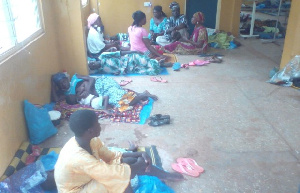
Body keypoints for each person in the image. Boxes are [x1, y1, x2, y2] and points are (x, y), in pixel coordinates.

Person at [54, 110, 184, 192]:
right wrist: (138, 163)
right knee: (120, 180)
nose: (101, 125)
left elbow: (111, 156)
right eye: (98, 123)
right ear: (90, 131)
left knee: (129, 161)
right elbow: (111, 173)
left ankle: (164, 175)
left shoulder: (89, 140)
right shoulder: (79, 157)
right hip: (77, 190)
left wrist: (139, 154)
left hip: (87, 177)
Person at [51, 72, 158, 112]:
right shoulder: (67, 94)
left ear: (67, 78)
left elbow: (91, 79)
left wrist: (87, 91)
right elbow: (56, 100)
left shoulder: (75, 77)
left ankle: (143, 94)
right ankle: (140, 95)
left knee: (122, 102)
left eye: (64, 81)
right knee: (120, 105)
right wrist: (52, 84)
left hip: (102, 84)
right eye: (61, 84)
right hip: (103, 94)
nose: (64, 84)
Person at [89, 50, 162, 75]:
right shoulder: (101, 71)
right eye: (92, 66)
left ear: (94, 60)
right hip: (129, 69)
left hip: (129, 59)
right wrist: (118, 72)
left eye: (92, 63)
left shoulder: (103, 56)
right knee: (152, 72)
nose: (93, 64)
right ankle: (159, 63)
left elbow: (119, 53)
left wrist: (134, 51)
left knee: (144, 61)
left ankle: (158, 61)